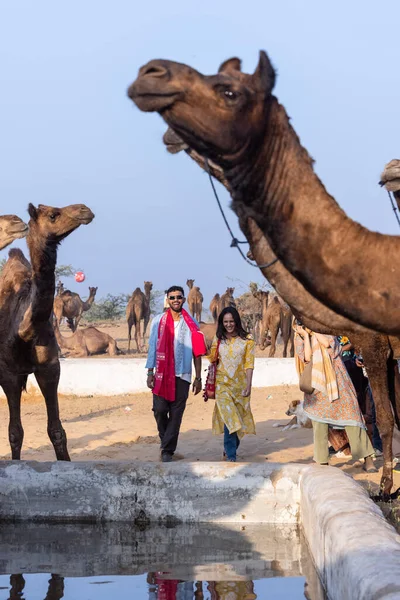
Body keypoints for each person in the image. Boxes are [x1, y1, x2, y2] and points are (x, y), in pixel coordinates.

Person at [294, 323, 377, 472]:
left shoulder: (325, 329)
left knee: (353, 417)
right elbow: (306, 357)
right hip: (318, 385)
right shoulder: (300, 337)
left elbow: (328, 345)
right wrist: (306, 335)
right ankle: (322, 461)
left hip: (338, 381)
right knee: (319, 422)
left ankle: (368, 458)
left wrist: (313, 330)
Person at [146, 285, 207, 463]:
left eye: (178, 297)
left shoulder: (191, 323)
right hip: (162, 375)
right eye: (172, 297)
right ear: (168, 300)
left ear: (184, 299)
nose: (175, 300)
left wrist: (198, 378)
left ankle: (167, 451)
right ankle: (166, 442)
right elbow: (152, 347)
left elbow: (197, 352)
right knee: (159, 410)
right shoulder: (158, 321)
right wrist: (150, 371)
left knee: (176, 413)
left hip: (183, 374)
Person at [208, 307, 255, 462]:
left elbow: (249, 364)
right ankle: (231, 456)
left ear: (236, 321)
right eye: (225, 322)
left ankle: (229, 449)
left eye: (231, 321)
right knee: (230, 420)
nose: (228, 325)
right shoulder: (219, 338)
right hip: (222, 385)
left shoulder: (248, 339)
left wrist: (249, 384)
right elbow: (212, 358)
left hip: (240, 386)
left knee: (238, 423)